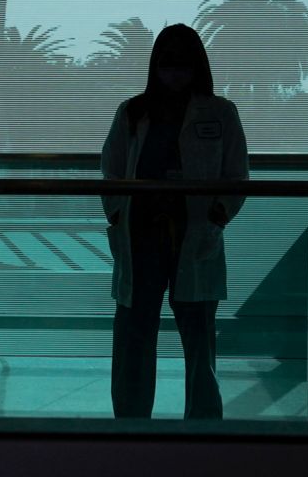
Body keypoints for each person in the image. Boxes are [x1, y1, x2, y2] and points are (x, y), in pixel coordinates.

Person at [101, 24, 249, 420]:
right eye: (168, 64)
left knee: (200, 338)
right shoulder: (133, 111)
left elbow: (237, 175)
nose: (176, 73)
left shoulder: (219, 112)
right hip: (142, 238)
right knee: (134, 335)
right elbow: (111, 171)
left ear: (198, 66)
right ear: (156, 66)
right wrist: (117, 217)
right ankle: (131, 424)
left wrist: (216, 219)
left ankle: (203, 425)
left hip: (195, 236)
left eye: (184, 64)